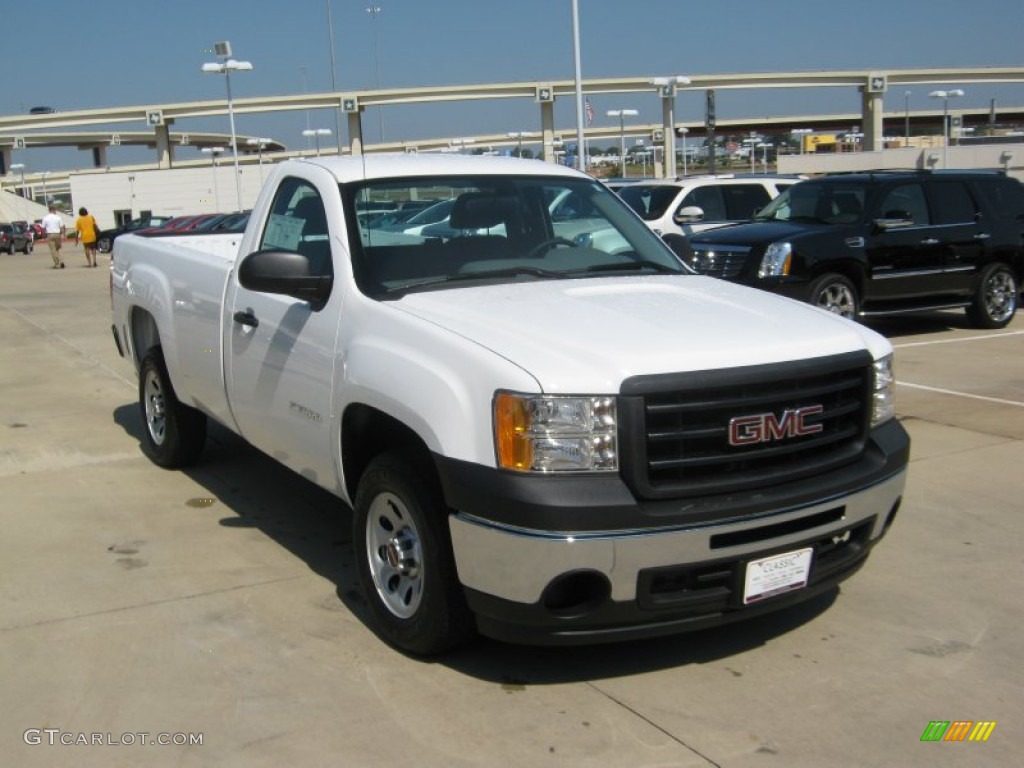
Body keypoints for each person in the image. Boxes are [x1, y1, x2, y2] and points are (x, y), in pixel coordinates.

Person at [41, 204, 65, 269]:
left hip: (50, 234)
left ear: (49, 210)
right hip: (57, 234)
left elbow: (43, 228)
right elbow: (62, 227)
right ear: (53, 210)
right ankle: (61, 260)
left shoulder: (45, 218)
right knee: (57, 249)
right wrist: (62, 234)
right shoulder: (58, 217)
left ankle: (57, 263)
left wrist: (43, 236)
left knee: (53, 250)